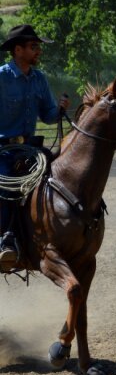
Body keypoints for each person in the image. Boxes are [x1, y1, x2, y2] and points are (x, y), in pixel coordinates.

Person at [0, 24, 70, 268]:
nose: (38, 50)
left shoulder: (39, 79)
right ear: (17, 50)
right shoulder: (1, 77)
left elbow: (48, 115)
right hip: (3, 150)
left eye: (38, 46)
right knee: (7, 186)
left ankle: (51, 236)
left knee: (58, 179)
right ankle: (7, 239)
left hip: (31, 149)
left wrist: (59, 109)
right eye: (33, 46)